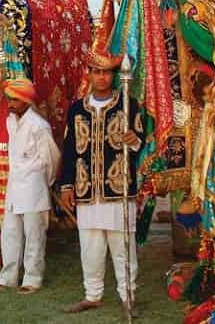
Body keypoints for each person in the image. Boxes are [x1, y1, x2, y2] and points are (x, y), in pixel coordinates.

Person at [60, 51, 144, 318]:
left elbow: (142, 143)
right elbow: (69, 150)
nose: (102, 77)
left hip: (118, 191)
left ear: (114, 75)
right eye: (96, 71)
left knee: (123, 248)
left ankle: (128, 296)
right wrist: (66, 186)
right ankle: (92, 295)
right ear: (89, 74)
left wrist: (133, 138)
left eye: (107, 72)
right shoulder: (76, 109)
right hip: (87, 190)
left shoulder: (128, 105)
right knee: (90, 247)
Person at [0, 79, 60, 294]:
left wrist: (43, 183)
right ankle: (7, 277)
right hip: (14, 188)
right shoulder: (10, 122)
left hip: (34, 189)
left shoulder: (39, 125)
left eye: (15, 99)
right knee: (9, 234)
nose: (10, 103)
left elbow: (52, 159)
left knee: (34, 235)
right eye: (9, 98)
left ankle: (32, 279)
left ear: (26, 101)